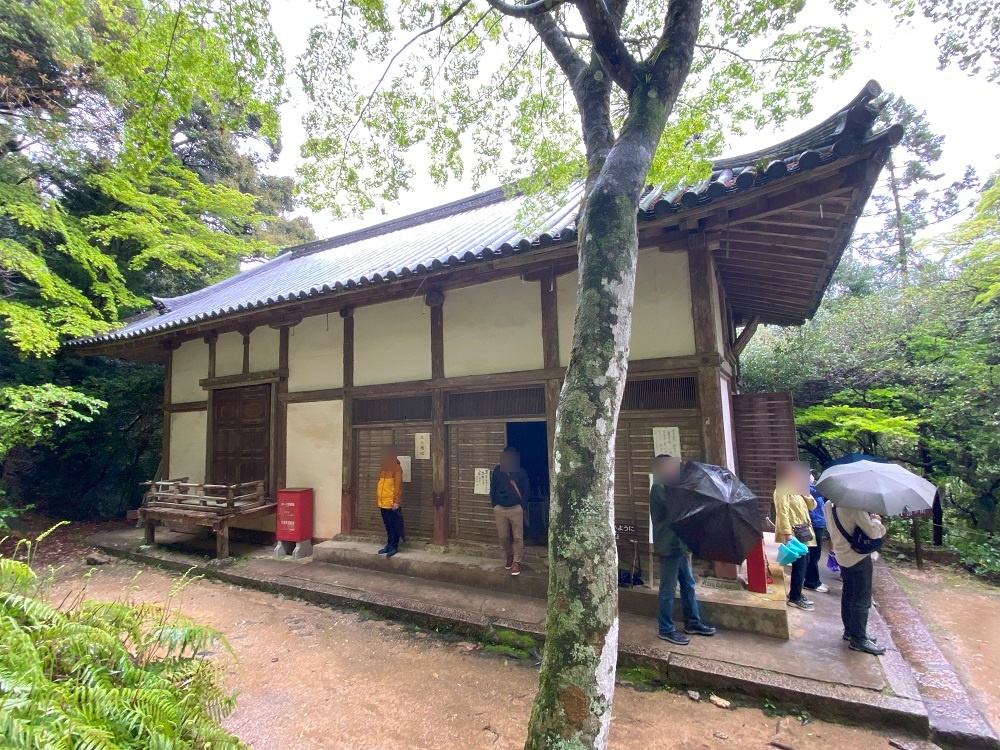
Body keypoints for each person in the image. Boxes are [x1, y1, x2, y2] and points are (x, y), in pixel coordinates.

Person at [649, 454, 716, 645]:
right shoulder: (660, 488)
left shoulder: (672, 487)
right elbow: (678, 509)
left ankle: (692, 622)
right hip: (669, 546)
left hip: (680, 545)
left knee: (688, 584)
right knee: (667, 589)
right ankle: (665, 628)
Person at [826, 502, 886, 655]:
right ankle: (858, 639)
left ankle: (850, 631)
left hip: (841, 555)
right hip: (857, 557)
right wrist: (876, 520)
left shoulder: (828, 505)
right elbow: (873, 532)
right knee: (862, 598)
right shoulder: (853, 506)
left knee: (848, 595)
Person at [773, 461, 818, 611]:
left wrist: (807, 496)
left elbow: (812, 507)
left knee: (806, 562)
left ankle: (797, 592)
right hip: (793, 533)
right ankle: (795, 597)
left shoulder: (798, 489)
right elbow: (782, 512)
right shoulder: (782, 490)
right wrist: (787, 534)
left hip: (804, 531)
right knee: (800, 565)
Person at [490, 447, 530, 576]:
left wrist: (521, 506)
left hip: (515, 508)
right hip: (500, 509)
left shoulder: (521, 472)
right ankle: (509, 555)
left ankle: (517, 562)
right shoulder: (497, 471)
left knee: (518, 537)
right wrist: (494, 504)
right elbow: (493, 488)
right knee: (503, 536)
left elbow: (526, 490)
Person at [375, 445, 404, 558]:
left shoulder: (397, 468)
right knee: (387, 525)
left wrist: (396, 501)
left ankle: (394, 546)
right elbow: (380, 485)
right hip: (382, 502)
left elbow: (398, 486)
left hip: (391, 503)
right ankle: (388, 544)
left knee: (394, 525)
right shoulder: (382, 468)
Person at [804, 474, 829, 594]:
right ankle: (811, 582)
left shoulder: (811, 488)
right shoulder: (808, 489)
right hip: (814, 525)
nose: (811, 476)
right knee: (813, 554)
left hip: (818, 524)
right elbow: (822, 491)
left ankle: (813, 580)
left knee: (815, 554)